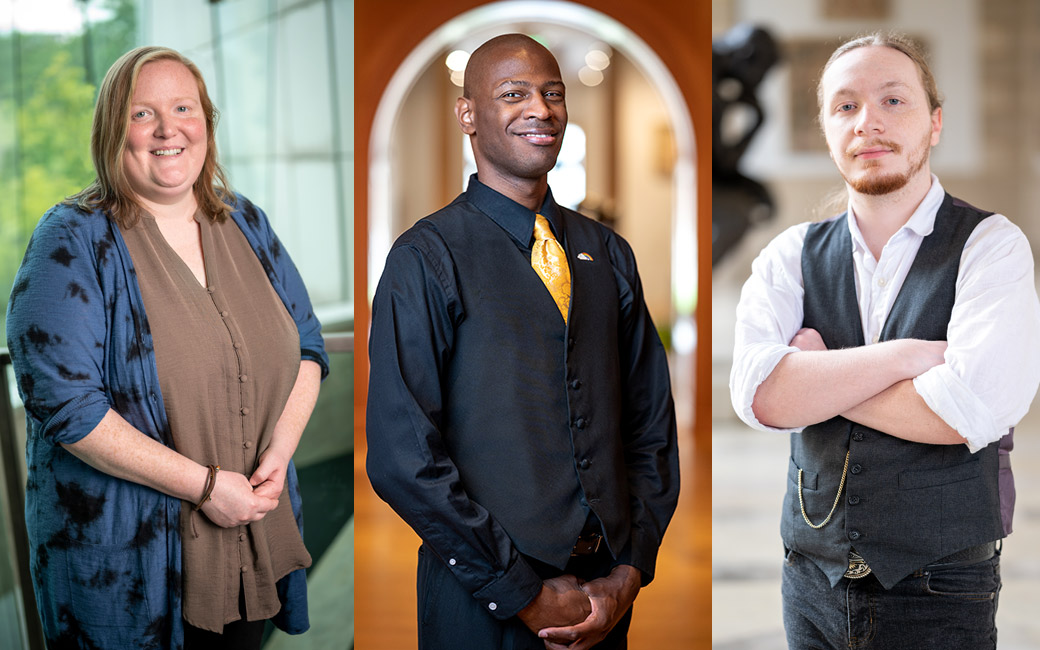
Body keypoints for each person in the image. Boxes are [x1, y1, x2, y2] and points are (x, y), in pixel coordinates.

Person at [6, 46, 329, 649]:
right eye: (142, 113)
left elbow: (308, 347)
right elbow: (67, 408)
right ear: (113, 130)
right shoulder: (71, 237)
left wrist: (278, 455)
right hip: (131, 563)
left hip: (251, 533)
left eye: (183, 108)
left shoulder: (245, 221)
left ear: (206, 122)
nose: (167, 129)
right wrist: (207, 488)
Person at [366, 33, 679, 650]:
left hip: (604, 598)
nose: (541, 109)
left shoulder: (609, 252)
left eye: (553, 94)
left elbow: (650, 427)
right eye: (514, 94)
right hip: (483, 600)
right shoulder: (424, 257)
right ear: (467, 114)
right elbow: (403, 458)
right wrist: (523, 594)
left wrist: (629, 572)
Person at [730, 32, 1040, 648]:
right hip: (810, 582)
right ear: (827, 130)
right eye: (845, 105)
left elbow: (968, 410)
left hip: (942, 587)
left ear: (935, 122)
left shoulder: (991, 245)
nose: (867, 122)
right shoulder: (788, 255)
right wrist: (905, 358)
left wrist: (819, 376)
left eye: (893, 100)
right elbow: (758, 396)